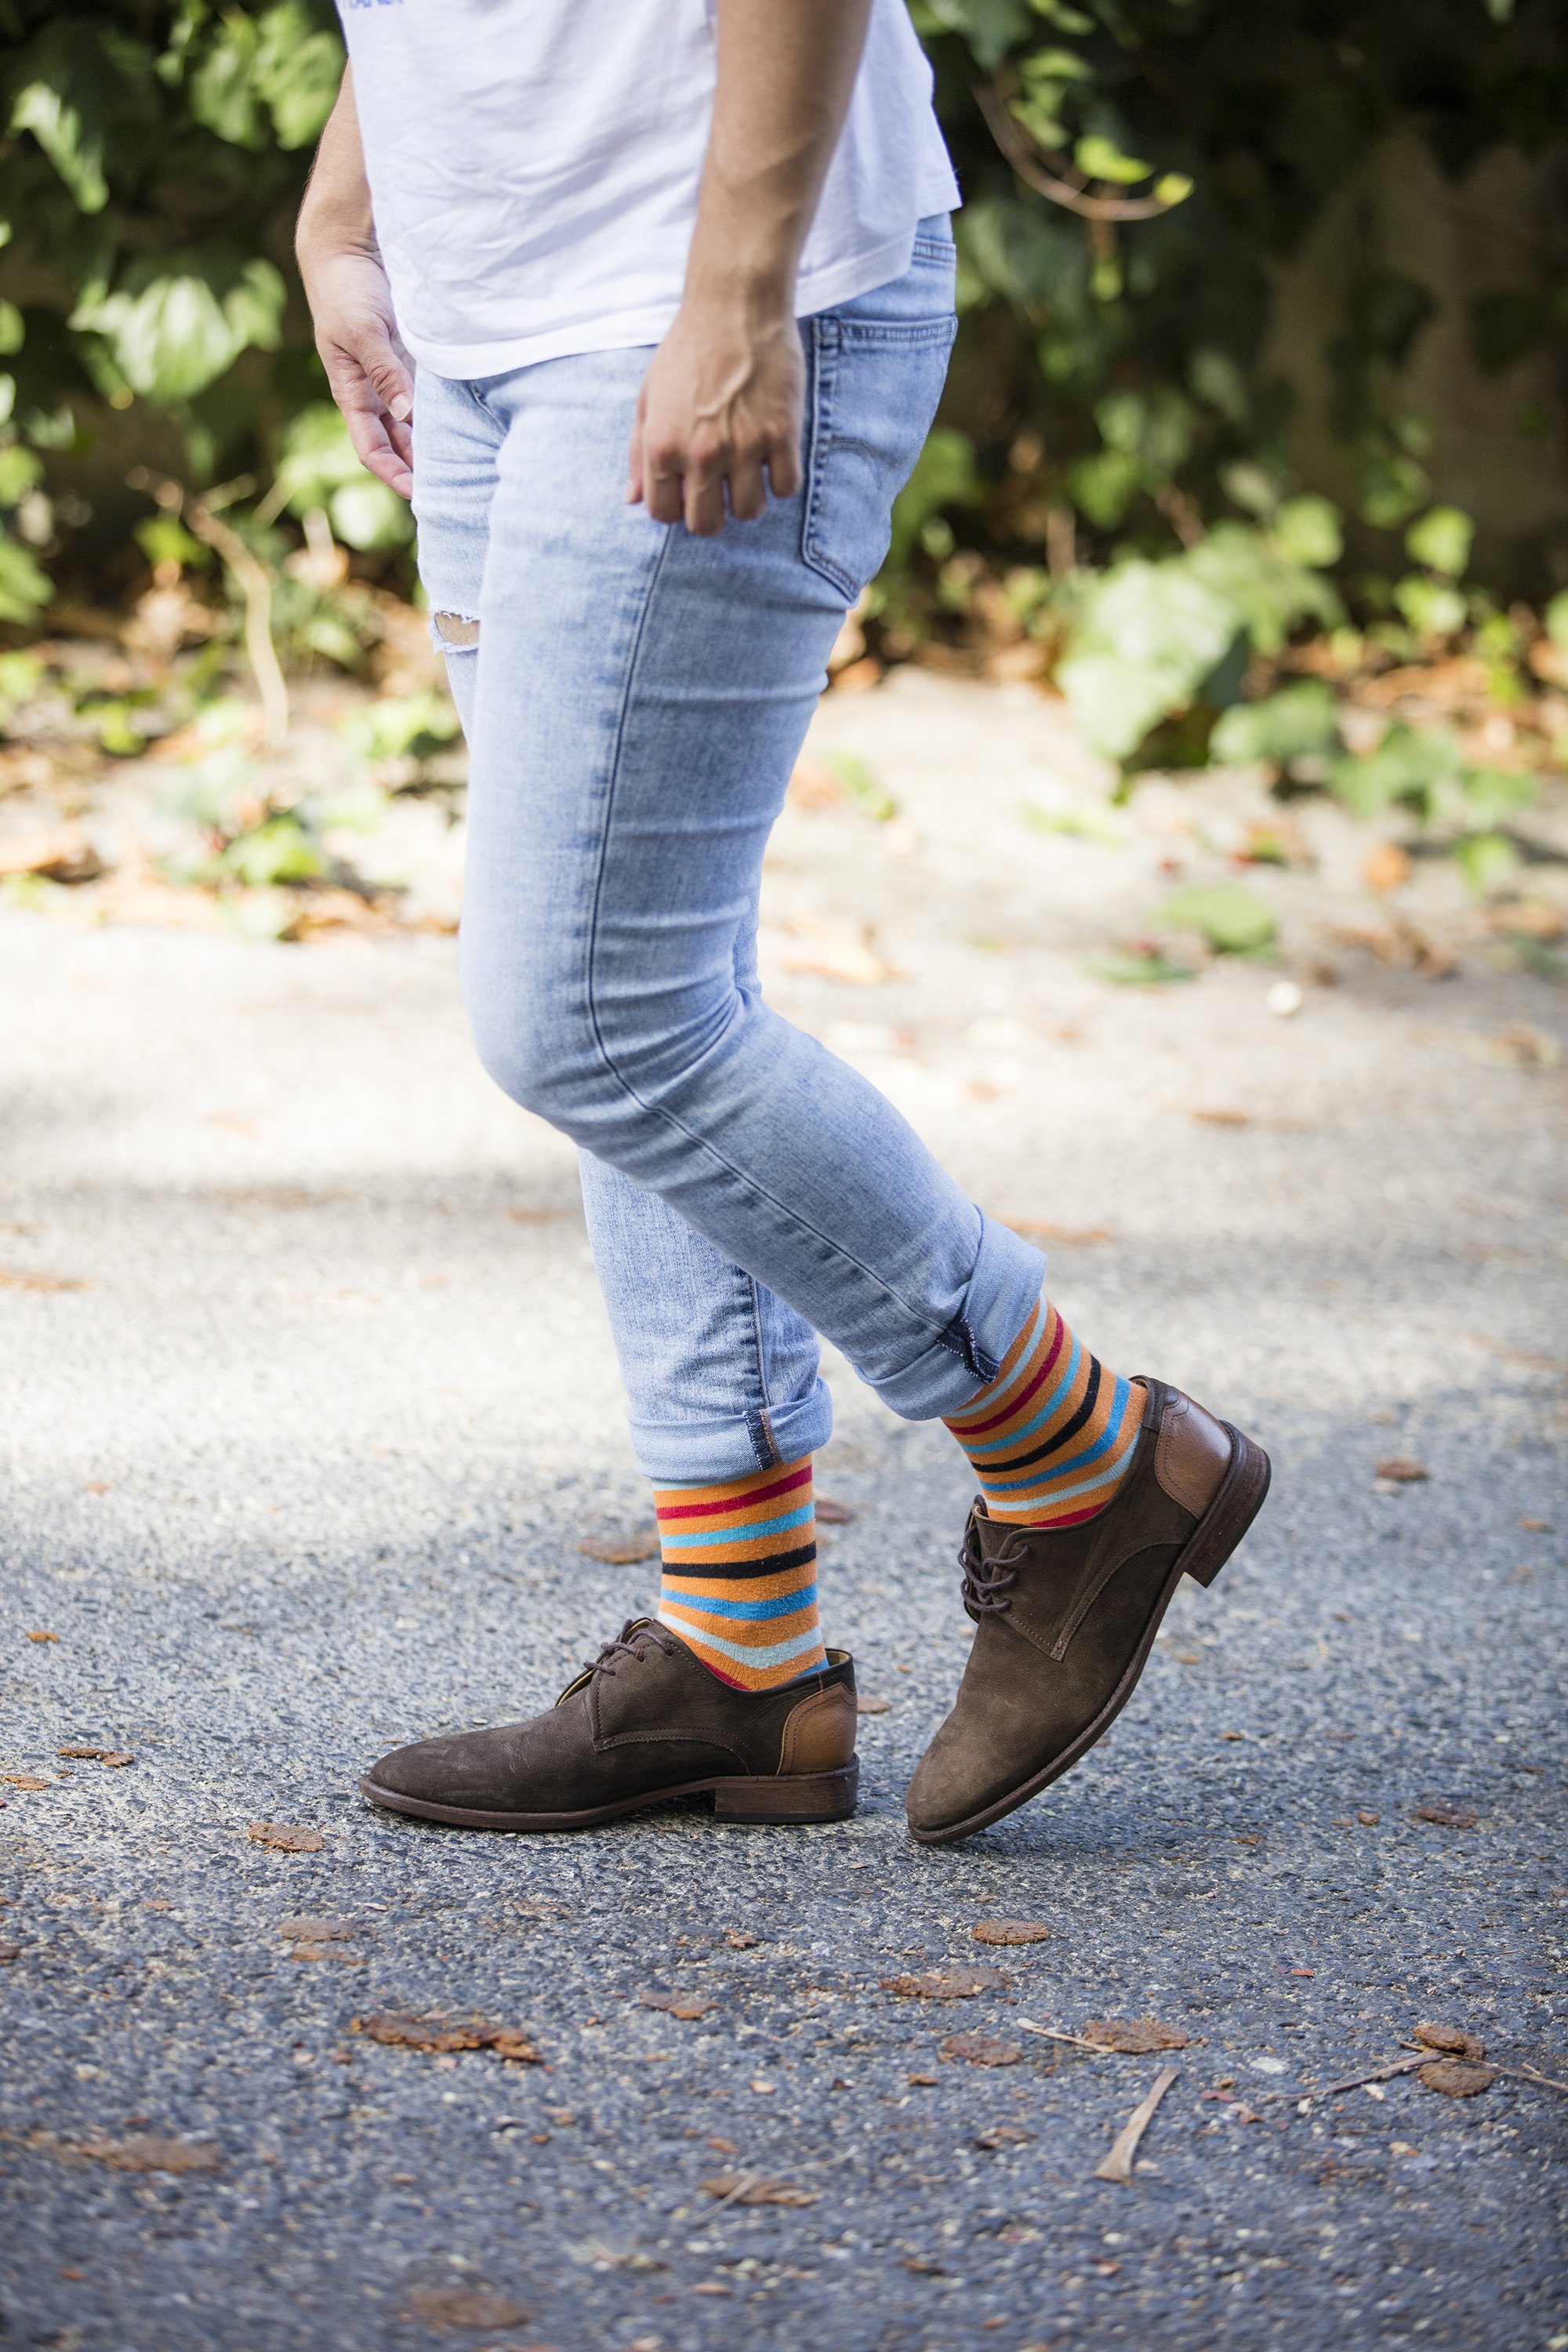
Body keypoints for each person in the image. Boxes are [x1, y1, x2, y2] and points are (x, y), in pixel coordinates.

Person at [296, 0, 1270, 1847]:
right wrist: (348, 208)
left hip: (710, 290)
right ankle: (740, 1652)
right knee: (642, 978)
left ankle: (1079, 1449)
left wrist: (734, 296)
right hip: (488, 306)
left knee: (588, 1011)